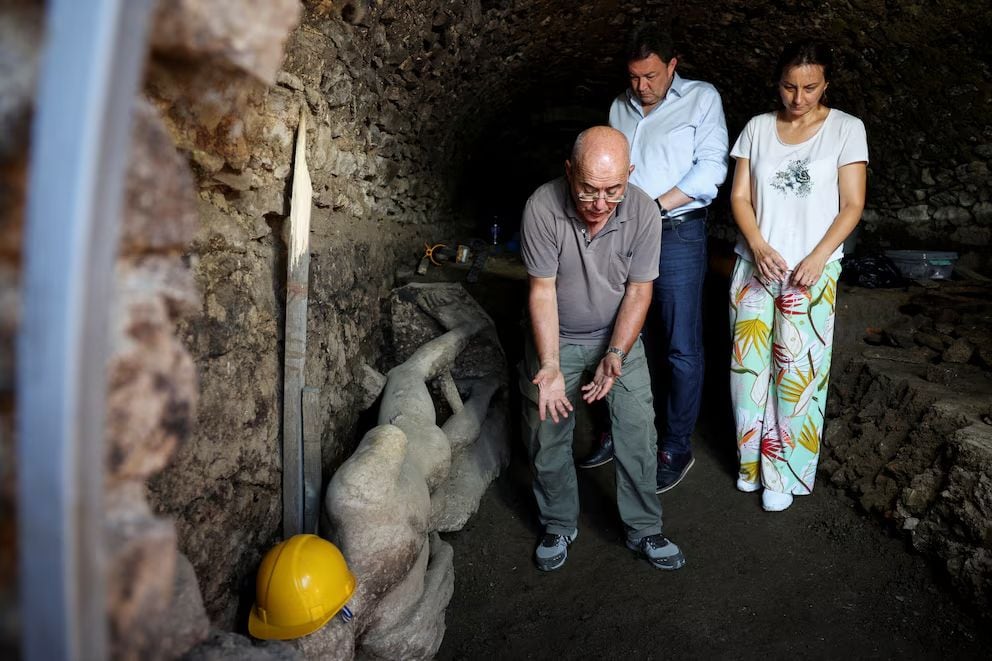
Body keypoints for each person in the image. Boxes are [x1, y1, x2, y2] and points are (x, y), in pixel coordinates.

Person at [519, 126, 685, 572]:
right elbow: (542, 291)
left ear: (629, 175)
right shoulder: (541, 207)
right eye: (588, 190)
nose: (599, 205)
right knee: (546, 433)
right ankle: (557, 522)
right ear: (569, 172)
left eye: (613, 191)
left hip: (616, 339)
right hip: (558, 337)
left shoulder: (645, 213)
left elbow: (638, 291)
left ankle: (644, 528)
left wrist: (616, 353)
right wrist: (550, 364)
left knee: (637, 431)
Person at [578, 25, 728, 494]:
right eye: (633, 77)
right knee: (615, 332)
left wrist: (654, 207)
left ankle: (676, 445)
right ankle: (615, 429)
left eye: (650, 75)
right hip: (622, 232)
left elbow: (711, 168)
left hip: (678, 230)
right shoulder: (617, 108)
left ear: (672, 64)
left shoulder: (702, 99)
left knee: (681, 345)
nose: (641, 86)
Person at [728, 40, 868, 512]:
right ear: (778, 82)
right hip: (755, 265)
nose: (798, 98)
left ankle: (783, 474)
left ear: (826, 83)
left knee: (797, 375)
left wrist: (818, 256)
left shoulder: (847, 129)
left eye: (810, 87)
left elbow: (852, 205)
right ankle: (750, 464)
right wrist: (758, 245)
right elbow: (740, 197)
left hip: (813, 271)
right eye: (789, 86)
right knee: (747, 373)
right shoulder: (757, 128)